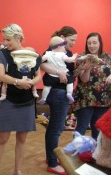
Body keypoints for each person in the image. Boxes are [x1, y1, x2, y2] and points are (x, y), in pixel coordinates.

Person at [0, 24, 42, 175]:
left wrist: (32, 82)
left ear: (18, 38)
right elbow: (1, 76)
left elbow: (38, 75)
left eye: (8, 40)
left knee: (22, 138)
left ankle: (17, 170)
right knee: (3, 137)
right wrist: (18, 82)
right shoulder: (3, 54)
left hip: (26, 102)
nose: (5, 43)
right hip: (9, 101)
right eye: (4, 39)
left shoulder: (33, 55)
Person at [40, 26, 78, 175]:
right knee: (56, 129)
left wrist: (81, 68)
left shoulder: (65, 53)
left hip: (60, 92)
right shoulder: (54, 50)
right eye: (71, 39)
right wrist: (58, 71)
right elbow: (41, 64)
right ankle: (52, 163)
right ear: (62, 37)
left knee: (53, 128)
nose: (74, 43)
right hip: (57, 93)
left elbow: (70, 73)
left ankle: (51, 157)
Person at [73, 32, 111, 140]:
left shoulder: (107, 57)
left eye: (94, 42)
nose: (92, 45)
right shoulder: (82, 57)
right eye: (89, 43)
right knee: (81, 128)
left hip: (104, 100)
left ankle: (94, 156)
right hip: (85, 100)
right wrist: (87, 68)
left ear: (100, 43)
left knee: (98, 130)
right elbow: (84, 79)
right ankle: (74, 154)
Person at [38, 36, 78, 105]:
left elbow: (40, 60)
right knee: (70, 82)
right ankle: (69, 93)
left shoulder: (48, 53)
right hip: (63, 74)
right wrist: (74, 56)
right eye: (63, 47)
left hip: (51, 76)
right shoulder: (62, 54)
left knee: (47, 86)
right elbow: (69, 60)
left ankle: (44, 98)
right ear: (59, 47)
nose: (64, 48)